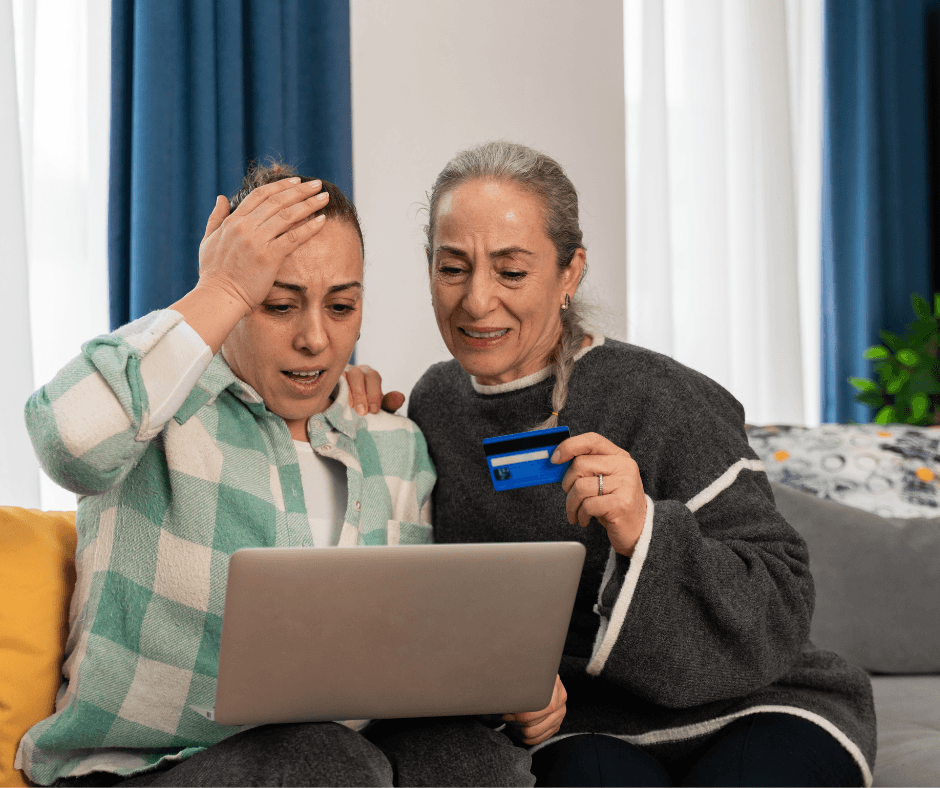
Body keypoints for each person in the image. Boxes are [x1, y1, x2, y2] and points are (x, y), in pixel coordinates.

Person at [346, 141, 876, 787]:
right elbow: (433, 600)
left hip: (756, 703)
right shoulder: (434, 403)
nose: (477, 301)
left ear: (569, 273)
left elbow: (782, 599)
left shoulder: (662, 396)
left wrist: (643, 527)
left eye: (511, 272)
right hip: (580, 722)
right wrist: (346, 412)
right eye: (453, 268)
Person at [17, 165, 539, 787]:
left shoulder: (394, 444)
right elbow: (66, 442)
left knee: (475, 759)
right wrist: (219, 288)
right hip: (145, 769)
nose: (315, 339)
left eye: (341, 306)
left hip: (340, 757)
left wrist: (499, 690)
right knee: (321, 758)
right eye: (278, 304)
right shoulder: (159, 410)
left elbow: (411, 651)